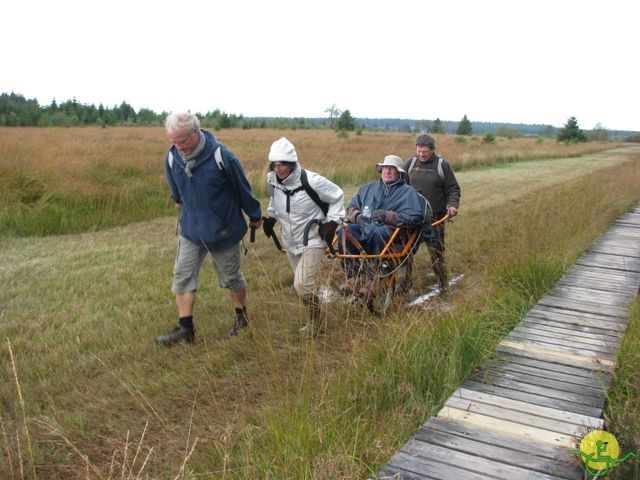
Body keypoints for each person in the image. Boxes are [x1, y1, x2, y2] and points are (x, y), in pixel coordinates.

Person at [156, 112, 263, 346]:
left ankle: (241, 316)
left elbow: (243, 190)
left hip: (223, 231)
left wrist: (254, 215)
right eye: (174, 141)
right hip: (191, 231)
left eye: (183, 140)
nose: (179, 146)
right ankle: (186, 329)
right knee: (182, 276)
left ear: (196, 132)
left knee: (231, 278)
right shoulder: (172, 158)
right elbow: (177, 195)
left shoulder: (222, 157)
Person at [263, 137, 345, 335]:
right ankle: (314, 321)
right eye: (274, 164)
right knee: (304, 287)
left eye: (282, 163)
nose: (277, 168)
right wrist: (272, 218)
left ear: (291, 163)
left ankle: (315, 323)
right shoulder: (272, 181)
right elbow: (275, 202)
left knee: (302, 285)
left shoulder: (312, 180)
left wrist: (332, 222)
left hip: (314, 239)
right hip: (290, 241)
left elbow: (337, 196)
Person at [340, 155, 427, 297]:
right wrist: (357, 216)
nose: (388, 171)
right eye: (385, 168)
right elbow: (352, 207)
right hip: (365, 229)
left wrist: (388, 216)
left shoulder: (408, 192)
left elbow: (415, 217)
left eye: (392, 169)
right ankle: (352, 277)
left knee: (379, 232)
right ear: (381, 170)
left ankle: (374, 279)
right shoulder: (368, 188)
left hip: (393, 235)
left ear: (399, 173)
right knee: (345, 230)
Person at [404, 134, 461, 291]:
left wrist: (453, 205)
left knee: (436, 253)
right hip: (411, 217)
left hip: (435, 218)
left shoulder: (442, 165)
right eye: (419, 151)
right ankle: (404, 283)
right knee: (405, 252)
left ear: (432, 150)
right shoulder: (410, 163)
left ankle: (443, 284)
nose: (422, 154)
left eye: (425, 152)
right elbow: (400, 186)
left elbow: (453, 189)